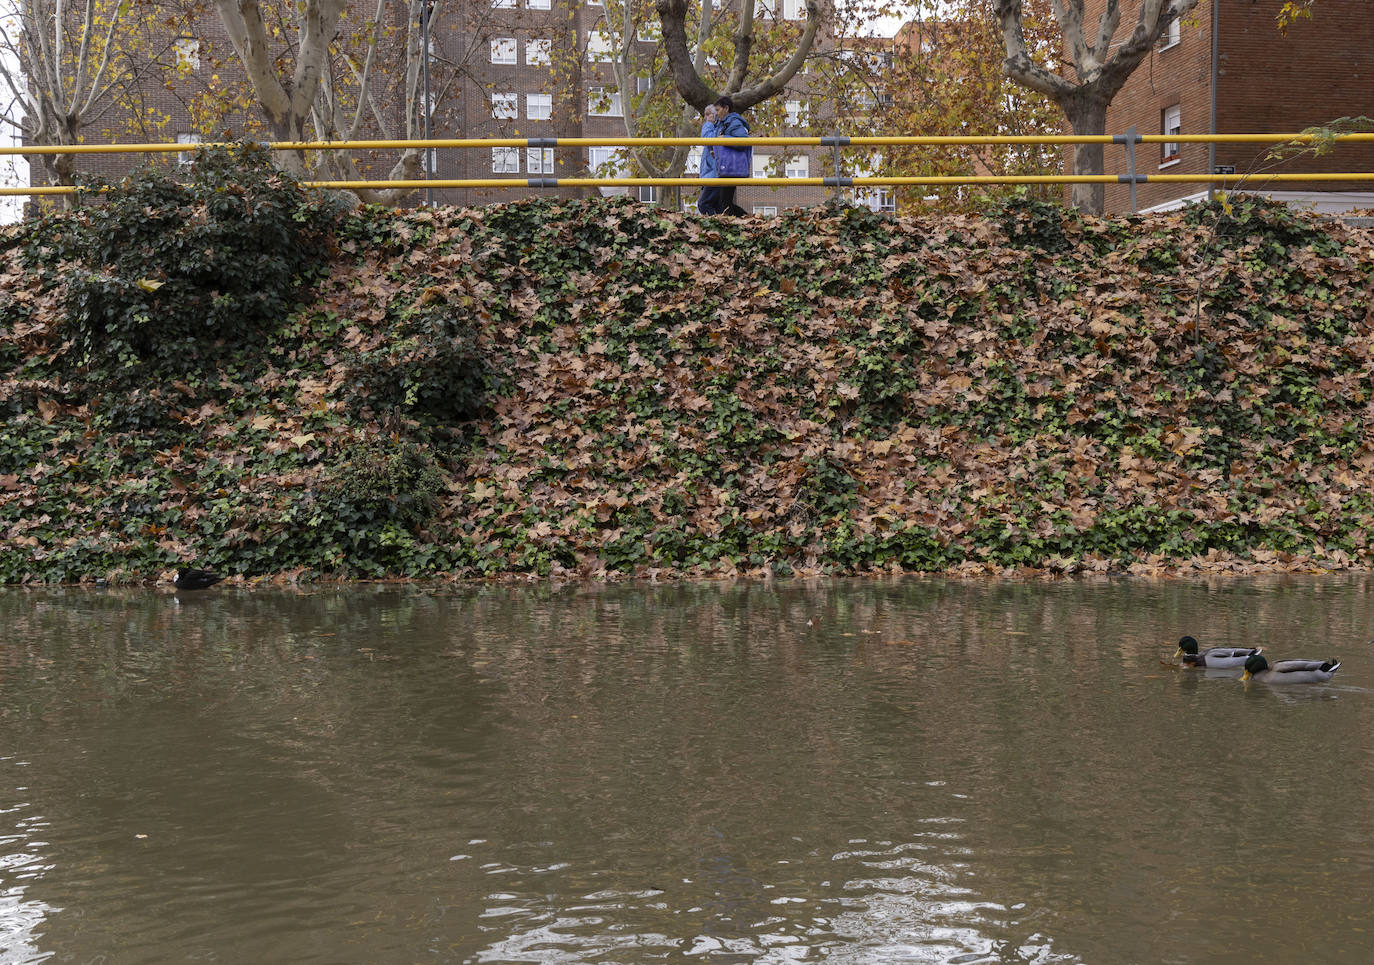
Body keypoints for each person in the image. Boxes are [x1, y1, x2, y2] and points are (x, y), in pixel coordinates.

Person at [697, 97, 750, 216]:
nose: (716, 113)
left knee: (706, 204)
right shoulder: (723, 124)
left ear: (726, 109)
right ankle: (746, 221)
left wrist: (722, 140)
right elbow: (717, 144)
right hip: (722, 170)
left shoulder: (731, 122)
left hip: (724, 170)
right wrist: (718, 151)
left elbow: (743, 141)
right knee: (723, 206)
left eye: (717, 110)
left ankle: (743, 222)